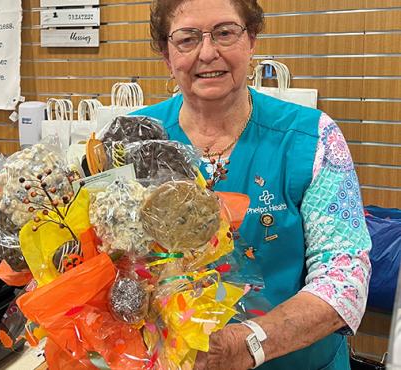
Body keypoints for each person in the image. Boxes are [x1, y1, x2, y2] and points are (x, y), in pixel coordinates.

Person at [133, 0, 372, 369]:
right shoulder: (134, 140)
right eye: (187, 39)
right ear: (167, 54)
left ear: (252, 40)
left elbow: (345, 277)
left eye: (225, 33)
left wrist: (249, 344)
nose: (208, 53)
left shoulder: (311, 138)